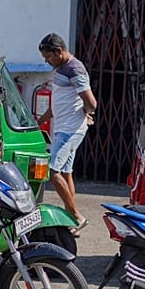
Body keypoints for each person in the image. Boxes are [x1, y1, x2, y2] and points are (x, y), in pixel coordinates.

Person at [35, 33, 97, 234]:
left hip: (71, 130)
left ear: (59, 51)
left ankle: (77, 216)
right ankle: (72, 220)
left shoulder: (75, 69)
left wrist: (87, 114)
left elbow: (91, 103)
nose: (47, 61)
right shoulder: (62, 69)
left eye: (48, 57)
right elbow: (59, 101)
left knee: (52, 171)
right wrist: (40, 121)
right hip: (63, 128)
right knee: (66, 172)